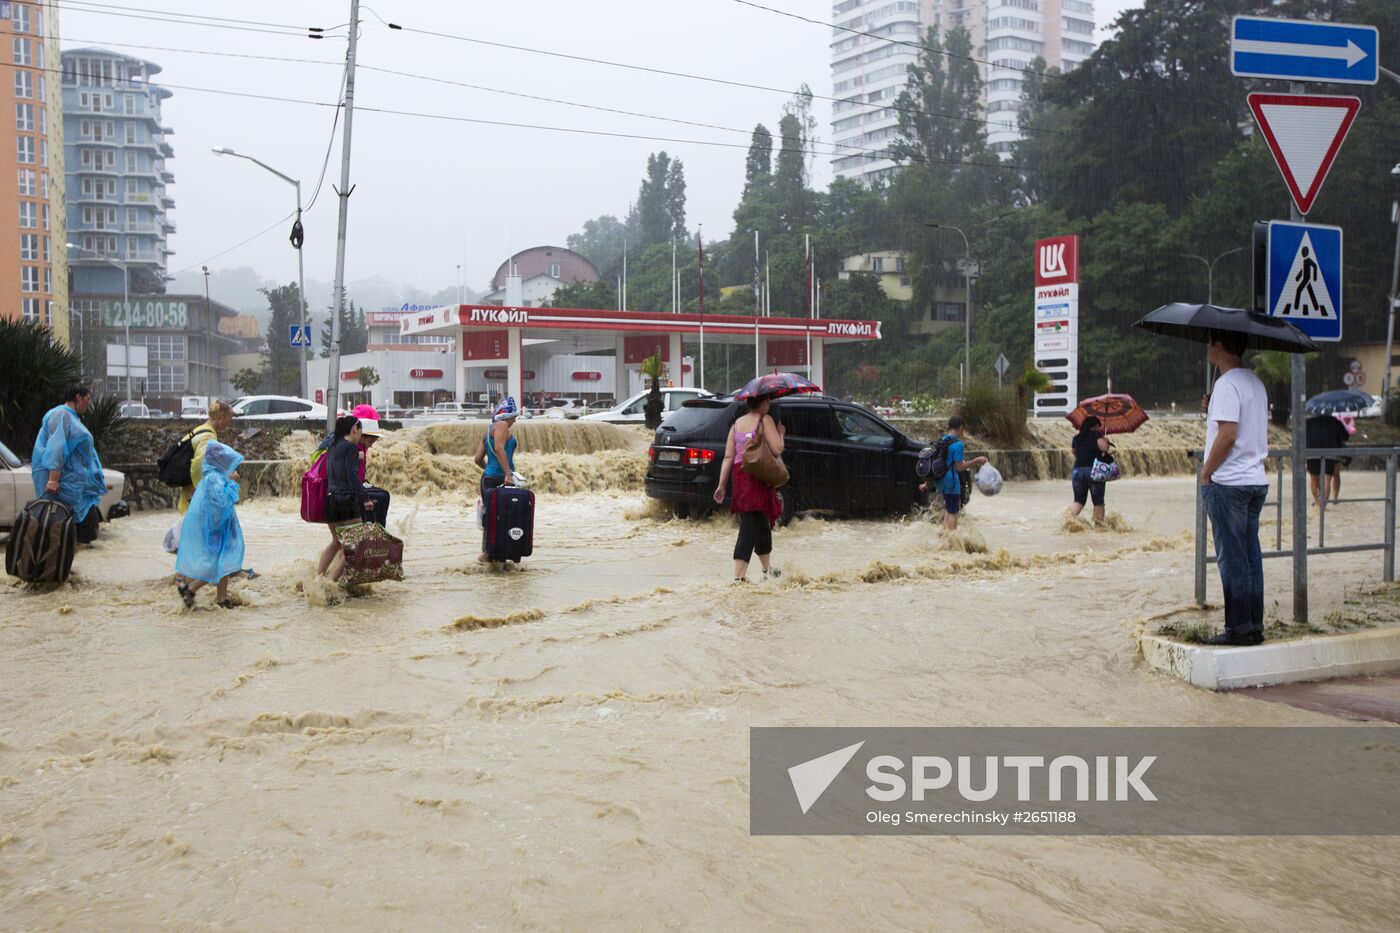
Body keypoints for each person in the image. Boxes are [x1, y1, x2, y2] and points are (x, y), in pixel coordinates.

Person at [1200, 329, 1270, 646]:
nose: (1207, 348)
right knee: (1250, 556)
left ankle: (1238, 629)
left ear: (1219, 345)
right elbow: (1238, 425)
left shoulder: (1226, 384)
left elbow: (1227, 436)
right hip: (1255, 479)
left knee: (1232, 558)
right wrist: (1212, 408)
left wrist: (1206, 472)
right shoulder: (1254, 381)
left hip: (1229, 482)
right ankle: (1253, 625)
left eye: (1209, 343)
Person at [712, 394, 784, 582]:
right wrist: (780, 432)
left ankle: (767, 570)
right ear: (762, 402)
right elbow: (777, 449)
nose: (769, 404)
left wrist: (721, 485)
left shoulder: (737, 424)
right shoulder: (765, 419)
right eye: (768, 400)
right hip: (757, 476)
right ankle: (738, 577)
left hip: (740, 476)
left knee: (761, 523)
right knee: (749, 526)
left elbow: (728, 457)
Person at [31, 383, 108, 544]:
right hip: (62, 488)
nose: (89, 402)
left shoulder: (70, 417)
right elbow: (57, 447)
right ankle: (63, 565)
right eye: (88, 398)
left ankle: (67, 565)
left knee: (75, 533)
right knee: (64, 531)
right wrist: (53, 479)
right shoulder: (62, 415)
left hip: (74, 489)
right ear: (78, 397)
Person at [175, 441, 245, 609]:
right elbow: (221, 504)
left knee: (224, 562)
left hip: (222, 529)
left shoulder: (215, 477)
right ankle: (190, 589)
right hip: (216, 529)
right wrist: (234, 483)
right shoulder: (214, 479)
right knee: (215, 564)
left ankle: (221, 598)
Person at [317, 415, 374, 582]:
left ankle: (317, 578)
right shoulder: (350, 448)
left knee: (336, 542)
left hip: (330, 501)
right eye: (360, 432)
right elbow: (352, 476)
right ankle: (331, 583)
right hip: (345, 502)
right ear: (354, 429)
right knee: (355, 545)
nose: (360, 436)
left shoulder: (332, 447)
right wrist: (365, 498)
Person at [918, 416, 986, 532]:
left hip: (940, 480)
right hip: (951, 482)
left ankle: (944, 534)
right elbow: (959, 467)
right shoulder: (958, 445)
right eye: (963, 430)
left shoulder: (942, 441)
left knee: (948, 509)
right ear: (960, 428)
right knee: (953, 511)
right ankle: (952, 539)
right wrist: (976, 461)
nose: (963, 433)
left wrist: (926, 483)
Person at [474, 396, 520, 563]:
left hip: (488, 478)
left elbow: (478, 458)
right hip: (501, 480)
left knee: (491, 517)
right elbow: (499, 449)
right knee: (504, 517)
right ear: (506, 414)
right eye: (514, 416)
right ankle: (495, 554)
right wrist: (508, 473)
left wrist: (489, 470)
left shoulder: (488, 430)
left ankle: (489, 553)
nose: (515, 420)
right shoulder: (502, 425)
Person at [177, 400, 234, 515]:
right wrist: (210, 492)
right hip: (195, 494)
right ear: (222, 416)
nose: (229, 423)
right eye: (229, 418)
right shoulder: (208, 436)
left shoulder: (199, 430)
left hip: (189, 491)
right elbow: (198, 467)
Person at [351, 404, 389, 525]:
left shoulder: (354, 443)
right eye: (370, 441)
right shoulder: (357, 448)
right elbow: (354, 475)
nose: (372, 444)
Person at [1069, 415, 1111, 522]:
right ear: (1093, 426)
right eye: (1098, 427)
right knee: (1098, 501)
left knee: (1078, 501)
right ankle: (1099, 527)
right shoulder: (1096, 435)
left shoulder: (1077, 438)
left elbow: (1074, 452)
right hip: (1094, 471)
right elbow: (1104, 448)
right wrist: (1105, 441)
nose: (1098, 429)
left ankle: (1068, 520)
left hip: (1077, 471)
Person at [1304, 413, 1348, 509]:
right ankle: (1324, 506)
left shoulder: (1308, 423)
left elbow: (1300, 438)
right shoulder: (1334, 421)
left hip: (1311, 453)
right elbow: (1345, 436)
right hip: (1330, 454)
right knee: (1327, 480)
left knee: (1313, 479)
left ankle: (1317, 504)